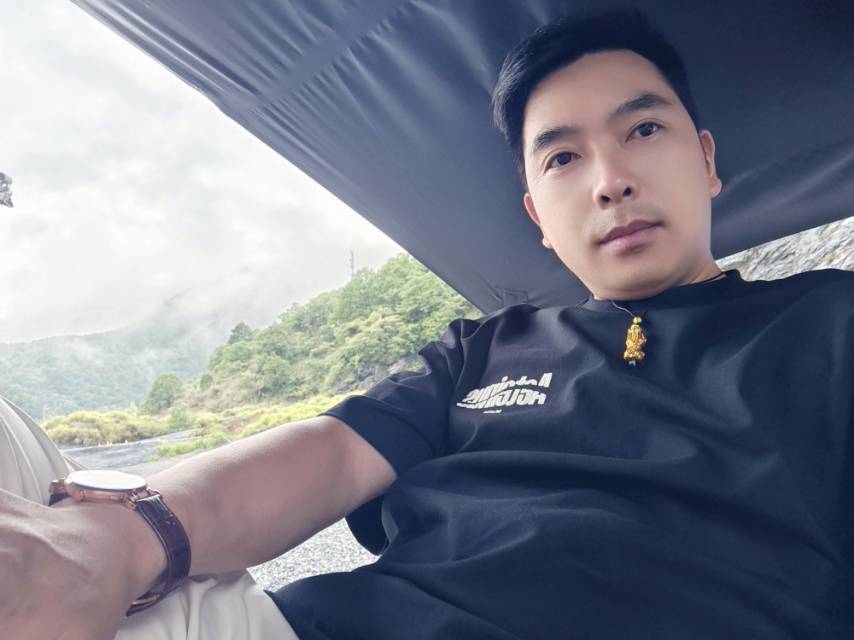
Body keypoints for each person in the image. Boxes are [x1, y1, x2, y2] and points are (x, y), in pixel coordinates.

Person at [3, 8, 853, 639]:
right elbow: (334, 454)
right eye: (563, 156)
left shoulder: (828, 324)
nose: (610, 180)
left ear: (706, 160)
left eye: (644, 128)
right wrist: (120, 540)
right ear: (538, 216)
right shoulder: (483, 349)